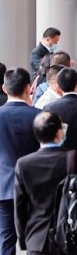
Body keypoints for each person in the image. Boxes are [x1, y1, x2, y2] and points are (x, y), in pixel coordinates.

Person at [14, 111, 77, 255]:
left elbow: (19, 207)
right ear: (59, 133)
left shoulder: (24, 164)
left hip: (37, 238)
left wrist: (24, 239)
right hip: (72, 236)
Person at [0, 68, 41, 255]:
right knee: (37, 236)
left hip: (3, 186)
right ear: (28, 88)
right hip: (35, 186)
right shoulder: (39, 116)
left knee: (6, 238)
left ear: (4, 88)